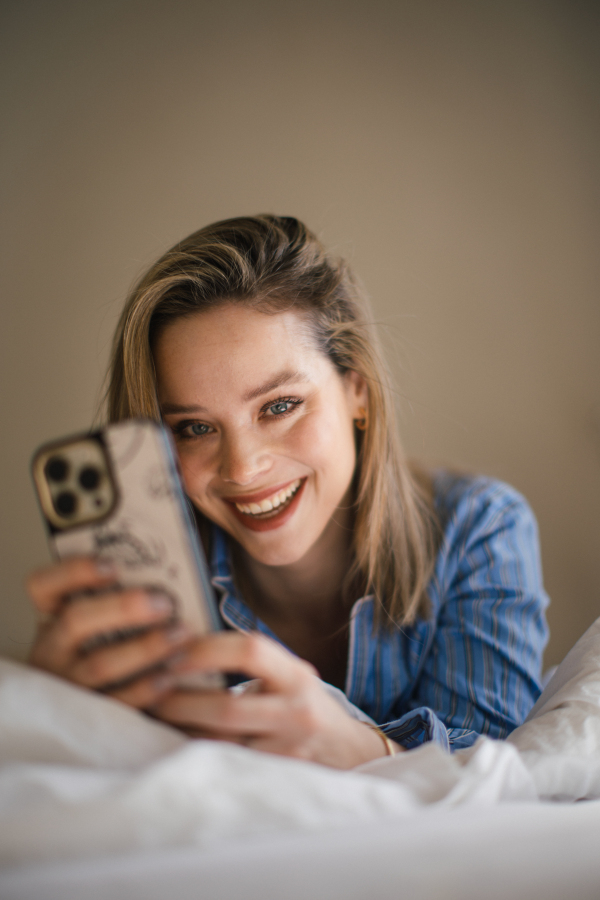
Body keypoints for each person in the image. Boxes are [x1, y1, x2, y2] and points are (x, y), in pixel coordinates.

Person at [26, 215, 549, 768]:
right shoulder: (149, 582)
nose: (245, 469)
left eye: (279, 406)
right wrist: (58, 716)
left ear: (358, 393)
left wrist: (358, 750)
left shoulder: (479, 528)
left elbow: (500, 778)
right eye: (194, 428)